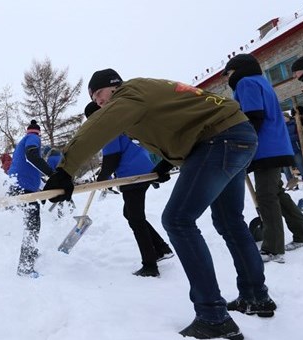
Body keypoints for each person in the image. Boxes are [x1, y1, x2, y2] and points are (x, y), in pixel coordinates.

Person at [43, 68, 275, 339]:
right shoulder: (145, 94)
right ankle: (256, 296)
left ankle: (213, 315)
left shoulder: (129, 94)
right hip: (236, 134)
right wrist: (167, 161)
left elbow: (98, 127)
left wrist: (65, 169)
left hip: (218, 140)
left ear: (112, 86)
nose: (98, 102)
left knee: (178, 220)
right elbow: (179, 123)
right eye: (94, 99)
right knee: (228, 221)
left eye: (98, 94)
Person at [222, 54, 303, 264]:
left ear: (236, 69)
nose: (226, 78)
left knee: (266, 196)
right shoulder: (260, 81)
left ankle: (273, 249)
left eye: (227, 73)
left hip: (265, 147)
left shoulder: (246, 83)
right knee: (277, 193)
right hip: (276, 144)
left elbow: (254, 116)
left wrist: (244, 145)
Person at [84, 101, 173, 277]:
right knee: (131, 215)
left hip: (132, 175)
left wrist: (102, 178)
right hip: (141, 169)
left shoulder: (106, 125)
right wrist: (105, 176)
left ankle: (150, 265)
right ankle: (161, 248)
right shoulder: (118, 121)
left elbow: (112, 157)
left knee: (136, 218)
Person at [7, 120, 54, 277]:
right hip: (23, 188)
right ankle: (25, 267)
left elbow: (30, 170)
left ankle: (30, 255)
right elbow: (31, 156)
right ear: (38, 132)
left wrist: (46, 186)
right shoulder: (33, 138)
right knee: (32, 226)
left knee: (31, 223)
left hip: (19, 186)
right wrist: (53, 174)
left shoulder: (23, 141)